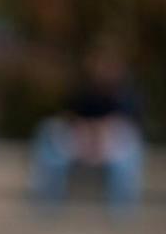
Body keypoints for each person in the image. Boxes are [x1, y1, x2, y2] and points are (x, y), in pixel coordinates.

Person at [31, 39, 143, 215]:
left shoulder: (127, 94)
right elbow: (69, 117)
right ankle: (48, 203)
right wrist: (86, 132)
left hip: (112, 146)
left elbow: (126, 126)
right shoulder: (84, 90)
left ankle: (121, 212)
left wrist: (101, 133)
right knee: (48, 132)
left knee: (128, 148)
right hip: (83, 143)